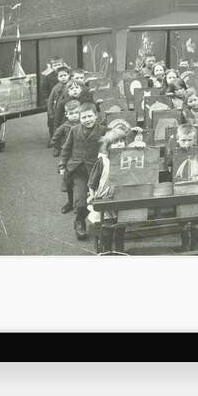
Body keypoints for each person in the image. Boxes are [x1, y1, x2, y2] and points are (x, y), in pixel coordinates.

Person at [58, 102, 107, 240]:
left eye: (90, 116)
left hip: (95, 169)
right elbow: (66, 148)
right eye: (84, 117)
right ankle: (80, 221)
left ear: (96, 115)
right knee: (81, 198)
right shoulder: (74, 131)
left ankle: (99, 223)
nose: (87, 120)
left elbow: (115, 138)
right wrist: (62, 165)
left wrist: (132, 132)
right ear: (79, 118)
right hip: (78, 169)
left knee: (97, 197)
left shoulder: (103, 130)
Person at [84, 127, 131, 254]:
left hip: (120, 197)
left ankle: (120, 250)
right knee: (106, 227)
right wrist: (92, 195)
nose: (120, 144)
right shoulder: (103, 161)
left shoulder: (127, 158)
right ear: (109, 146)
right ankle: (107, 250)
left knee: (120, 226)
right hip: (104, 197)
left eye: (122, 141)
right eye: (115, 142)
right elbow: (92, 182)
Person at [164, 124, 198, 252]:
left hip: (196, 186)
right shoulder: (174, 151)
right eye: (183, 140)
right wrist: (179, 152)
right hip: (180, 187)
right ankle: (185, 242)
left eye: (189, 140)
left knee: (196, 215)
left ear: (194, 140)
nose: (186, 143)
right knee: (182, 217)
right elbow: (168, 163)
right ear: (177, 139)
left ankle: (195, 241)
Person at [41, 56, 67, 142]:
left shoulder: (67, 76)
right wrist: (48, 102)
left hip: (65, 103)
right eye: (55, 65)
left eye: (59, 64)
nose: (58, 67)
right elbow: (44, 91)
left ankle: (65, 138)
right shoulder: (48, 78)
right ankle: (52, 138)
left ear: (63, 65)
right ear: (52, 67)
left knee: (65, 120)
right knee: (52, 122)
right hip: (53, 103)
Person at [45, 65, 71, 146]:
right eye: (61, 76)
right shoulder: (55, 88)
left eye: (65, 75)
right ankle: (56, 146)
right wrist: (51, 113)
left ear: (69, 76)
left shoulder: (72, 85)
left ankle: (67, 144)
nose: (63, 78)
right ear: (57, 77)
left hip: (69, 110)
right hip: (58, 111)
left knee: (68, 127)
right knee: (57, 128)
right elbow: (50, 101)